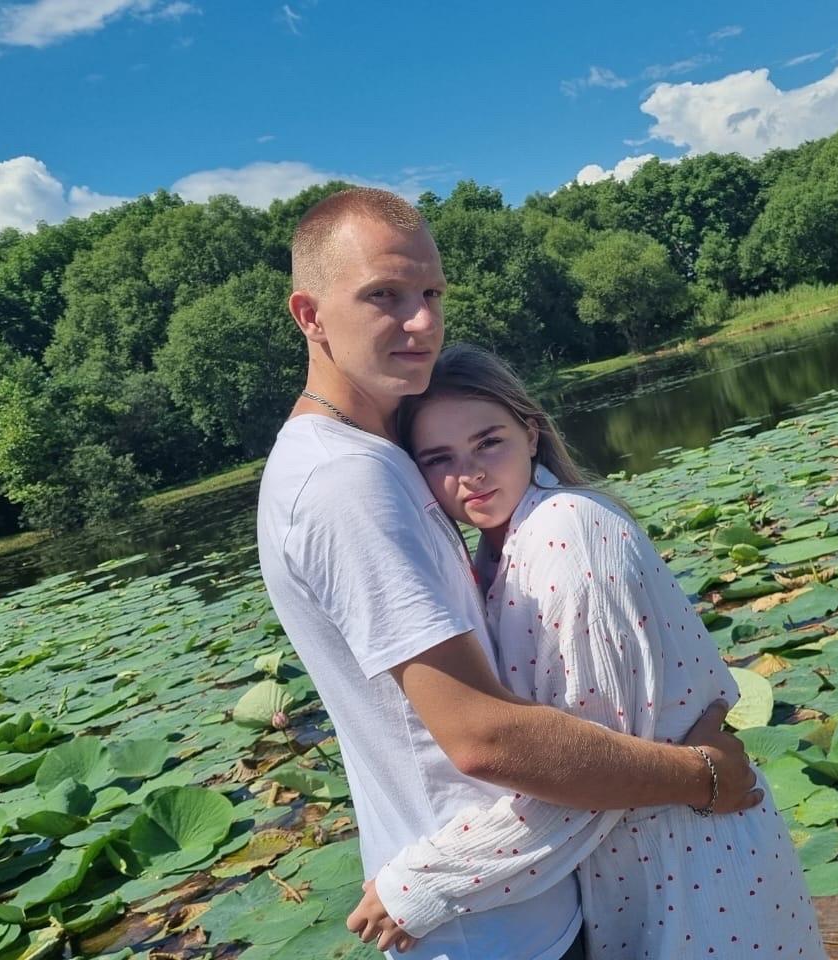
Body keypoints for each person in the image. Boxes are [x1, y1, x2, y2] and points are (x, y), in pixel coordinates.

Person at [256, 187, 765, 960]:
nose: (422, 323)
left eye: (431, 293)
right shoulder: (344, 483)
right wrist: (701, 776)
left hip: (514, 899)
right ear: (310, 315)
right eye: (384, 296)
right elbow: (483, 738)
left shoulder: (370, 461)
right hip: (489, 926)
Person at [344, 343, 827, 958]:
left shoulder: (566, 536)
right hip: (639, 863)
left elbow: (592, 770)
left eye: (488, 442)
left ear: (531, 433)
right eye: (439, 458)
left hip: (692, 870)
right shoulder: (500, 547)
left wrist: (423, 884)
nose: (470, 475)